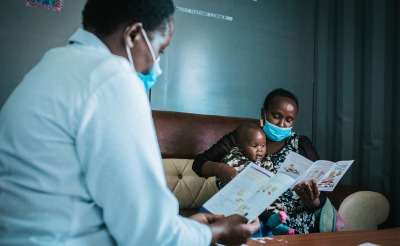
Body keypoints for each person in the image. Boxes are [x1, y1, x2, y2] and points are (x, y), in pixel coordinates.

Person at [0, 0, 259, 245]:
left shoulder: (49, 66)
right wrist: (218, 231)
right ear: (134, 34)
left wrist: (192, 227)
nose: (155, 65)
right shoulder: (113, 79)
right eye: (160, 50)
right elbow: (151, 237)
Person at [193, 88, 329, 234]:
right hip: (251, 219)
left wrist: (312, 200)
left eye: (289, 120)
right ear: (263, 113)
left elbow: (320, 197)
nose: (282, 124)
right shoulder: (244, 137)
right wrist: (220, 169)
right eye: (276, 116)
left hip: (297, 225)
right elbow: (199, 163)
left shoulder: (301, 144)